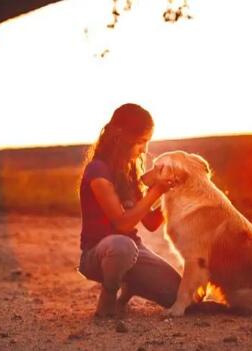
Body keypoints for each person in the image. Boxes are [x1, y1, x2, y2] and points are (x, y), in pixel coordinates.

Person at [78, 103, 181, 317]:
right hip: (99, 253)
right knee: (122, 246)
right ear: (122, 137)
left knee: (180, 296)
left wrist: (172, 191)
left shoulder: (129, 172)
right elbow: (122, 223)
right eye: (141, 142)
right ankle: (108, 296)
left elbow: (151, 223)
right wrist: (156, 191)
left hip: (134, 251)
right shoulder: (98, 171)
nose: (144, 149)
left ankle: (132, 284)